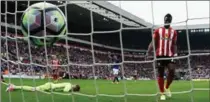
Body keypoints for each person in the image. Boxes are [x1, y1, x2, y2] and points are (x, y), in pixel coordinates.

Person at [146, 13, 178, 100]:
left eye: (169, 20)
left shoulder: (174, 32)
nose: (167, 21)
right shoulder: (158, 30)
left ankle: (167, 87)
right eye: (166, 20)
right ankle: (162, 93)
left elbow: (174, 44)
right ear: (164, 20)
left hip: (169, 55)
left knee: (172, 70)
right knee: (161, 73)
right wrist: (148, 52)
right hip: (160, 55)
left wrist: (175, 54)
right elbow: (153, 42)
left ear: (171, 21)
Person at [6, 82, 80, 92]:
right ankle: (13, 86)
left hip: (50, 85)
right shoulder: (69, 86)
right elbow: (65, 90)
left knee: (33, 88)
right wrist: (71, 90)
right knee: (33, 89)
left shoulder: (69, 83)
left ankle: (14, 86)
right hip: (49, 86)